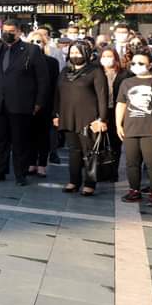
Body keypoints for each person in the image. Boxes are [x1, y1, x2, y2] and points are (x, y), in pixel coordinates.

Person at [0, 19, 49, 187]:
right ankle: (0, 171)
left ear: (19, 32)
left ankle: (20, 174)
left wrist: (39, 102)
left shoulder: (31, 50)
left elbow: (42, 79)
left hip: (21, 104)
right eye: (5, 31)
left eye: (11, 31)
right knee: (0, 140)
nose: (8, 34)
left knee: (20, 141)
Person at [53, 39, 108, 196]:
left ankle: (90, 183)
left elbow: (102, 97)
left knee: (89, 151)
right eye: (72, 52)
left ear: (86, 53)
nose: (74, 55)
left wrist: (102, 118)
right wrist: (56, 114)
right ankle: (73, 181)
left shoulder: (95, 71)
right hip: (67, 116)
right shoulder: (65, 71)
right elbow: (57, 94)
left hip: (89, 118)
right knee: (73, 151)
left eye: (78, 52)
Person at [117, 48, 152, 206]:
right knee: (132, 162)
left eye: (141, 63)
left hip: (151, 129)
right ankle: (134, 191)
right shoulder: (126, 82)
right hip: (130, 128)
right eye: (134, 63)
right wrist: (118, 124)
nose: (136, 65)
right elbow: (121, 104)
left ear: (150, 65)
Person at [28, 32, 60, 178]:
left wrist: (55, 108)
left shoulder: (52, 62)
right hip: (27, 103)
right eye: (32, 41)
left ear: (44, 44)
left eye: (38, 41)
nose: (35, 44)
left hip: (46, 104)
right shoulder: (23, 60)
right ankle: (31, 162)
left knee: (43, 135)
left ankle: (42, 164)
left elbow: (55, 86)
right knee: (29, 134)